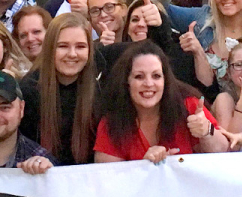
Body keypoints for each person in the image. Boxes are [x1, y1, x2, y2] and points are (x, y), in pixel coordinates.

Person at [94, 43, 229, 163]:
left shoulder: (188, 105)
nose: (148, 84)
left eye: (156, 76)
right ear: (126, 82)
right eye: (139, 76)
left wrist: (207, 131)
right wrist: (143, 166)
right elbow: (108, 178)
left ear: (166, 80)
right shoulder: (111, 123)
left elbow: (223, 150)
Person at [19, 14, 97, 165]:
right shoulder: (29, 90)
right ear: (49, 48)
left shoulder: (98, 89)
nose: (72, 54)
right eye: (62, 46)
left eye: (80, 46)